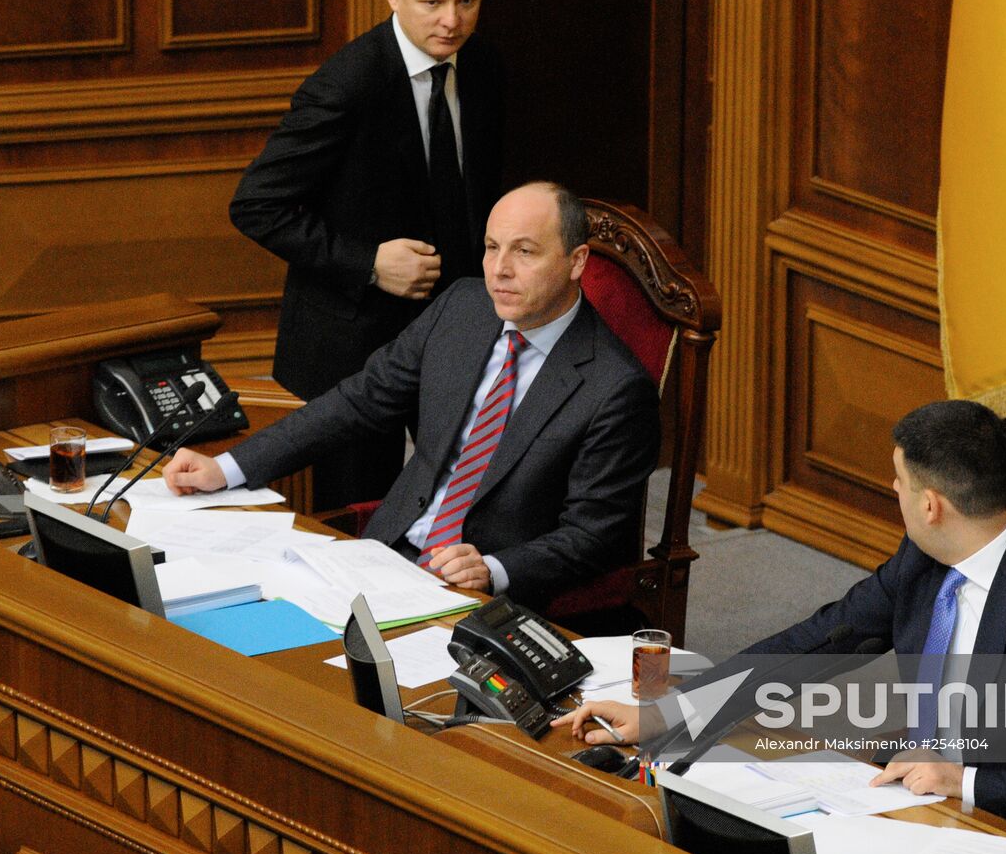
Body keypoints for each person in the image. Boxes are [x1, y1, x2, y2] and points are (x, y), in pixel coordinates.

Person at [558, 400, 1006, 839]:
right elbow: (819, 643)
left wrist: (960, 780)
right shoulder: (928, 558)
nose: (896, 491)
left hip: (995, 825)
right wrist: (670, 714)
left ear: (931, 505)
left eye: (899, 482)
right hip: (898, 799)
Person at [165, 183, 658, 606]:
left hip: (479, 594)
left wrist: (494, 569)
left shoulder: (615, 388)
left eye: (524, 251)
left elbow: (592, 537)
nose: (499, 270)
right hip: (381, 556)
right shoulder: (464, 306)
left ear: (576, 262)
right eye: (491, 247)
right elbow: (360, 399)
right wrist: (228, 468)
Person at [230, 0, 505, 510]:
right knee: (352, 526)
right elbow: (256, 204)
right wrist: (368, 263)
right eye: (431, 3)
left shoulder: (485, 68)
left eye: (467, 1)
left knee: (468, 509)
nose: (451, 21)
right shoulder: (347, 84)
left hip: (456, 331)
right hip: (351, 349)